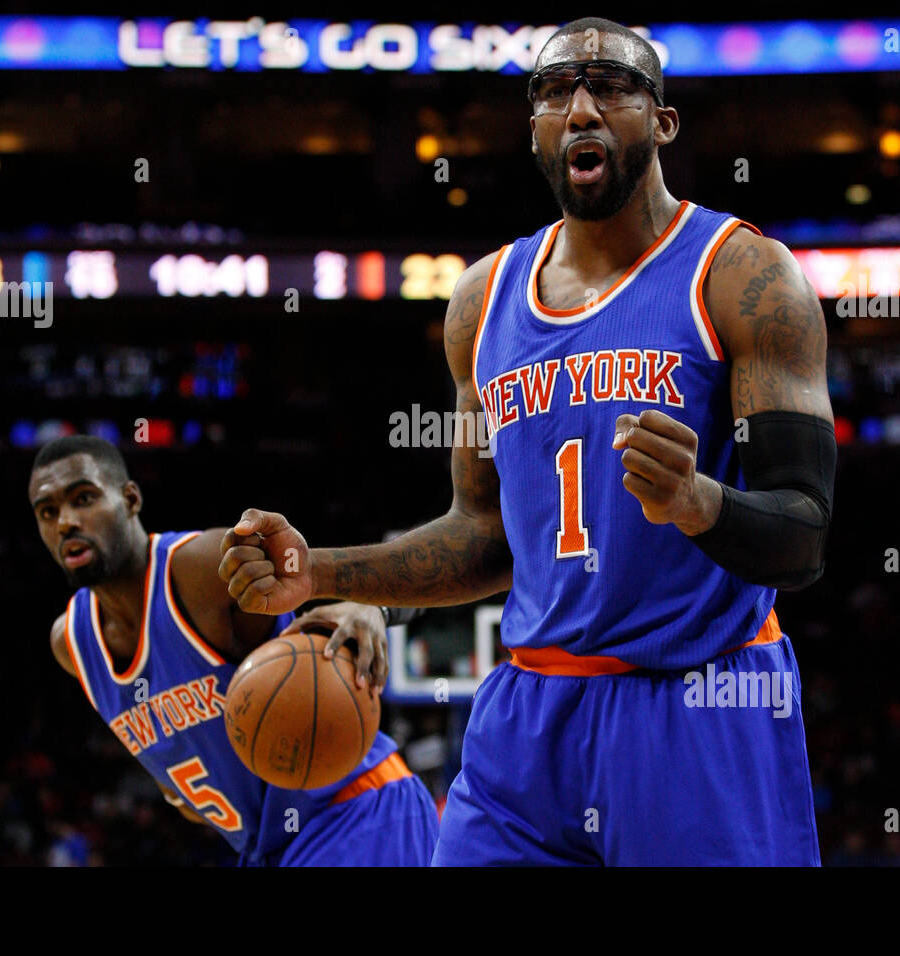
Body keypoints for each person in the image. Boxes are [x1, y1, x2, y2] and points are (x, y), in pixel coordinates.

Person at [220, 17, 835, 865]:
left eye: (609, 86)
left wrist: (698, 504)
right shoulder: (481, 302)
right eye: (554, 92)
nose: (580, 108)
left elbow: (802, 536)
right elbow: (483, 537)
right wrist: (320, 571)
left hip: (697, 702)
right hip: (526, 716)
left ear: (662, 121)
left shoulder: (744, 275)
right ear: (536, 129)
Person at [28, 435, 438, 865]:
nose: (66, 522)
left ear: (130, 499)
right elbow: (186, 795)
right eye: (48, 511)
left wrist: (373, 607)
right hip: (271, 849)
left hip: (356, 812)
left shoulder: (202, 567)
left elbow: (365, 575)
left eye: (84, 498)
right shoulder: (73, 645)